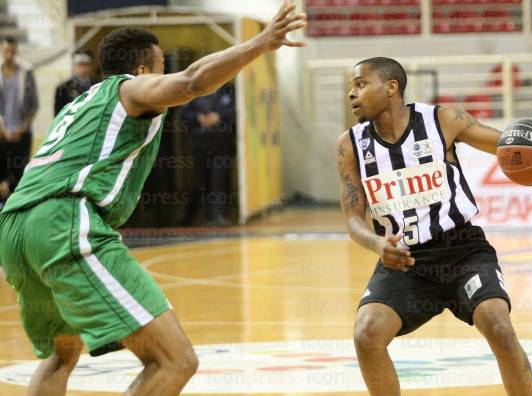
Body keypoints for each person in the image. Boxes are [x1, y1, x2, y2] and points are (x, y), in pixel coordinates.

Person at [0, 2, 306, 395]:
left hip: (15, 230)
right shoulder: (130, 87)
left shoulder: (80, 103)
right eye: (163, 66)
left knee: (61, 355)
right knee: (175, 360)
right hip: (63, 220)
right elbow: (194, 81)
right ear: (144, 70)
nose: (166, 74)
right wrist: (259, 44)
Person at [336, 57, 532, 396]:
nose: (351, 93)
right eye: (351, 86)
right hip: (405, 260)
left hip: (463, 250)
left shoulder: (441, 119)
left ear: (391, 88)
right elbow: (353, 219)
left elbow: (508, 147)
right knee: (366, 334)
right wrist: (377, 244)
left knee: (499, 326)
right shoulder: (350, 144)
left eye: (360, 84)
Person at [181, 83, 236, 226]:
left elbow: (237, 110)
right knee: (202, 181)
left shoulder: (228, 89)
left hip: (222, 142)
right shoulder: (195, 86)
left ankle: (220, 214)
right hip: (199, 143)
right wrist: (198, 118)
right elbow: (183, 112)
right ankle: (209, 217)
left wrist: (219, 116)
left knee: (220, 178)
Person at [0, 35, 38, 207]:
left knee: (20, 173)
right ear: (2, 50)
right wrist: (3, 129)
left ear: (16, 52)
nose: (9, 54)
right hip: (1, 133)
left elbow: (33, 104)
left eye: (13, 51)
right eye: (6, 50)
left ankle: (17, 210)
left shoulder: (26, 71)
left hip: (22, 133)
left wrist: (23, 128)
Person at [54, 49, 100, 115]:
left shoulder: (99, 85)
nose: (83, 68)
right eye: (79, 65)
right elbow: (58, 114)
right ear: (74, 66)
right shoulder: (62, 88)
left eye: (85, 65)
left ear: (90, 66)